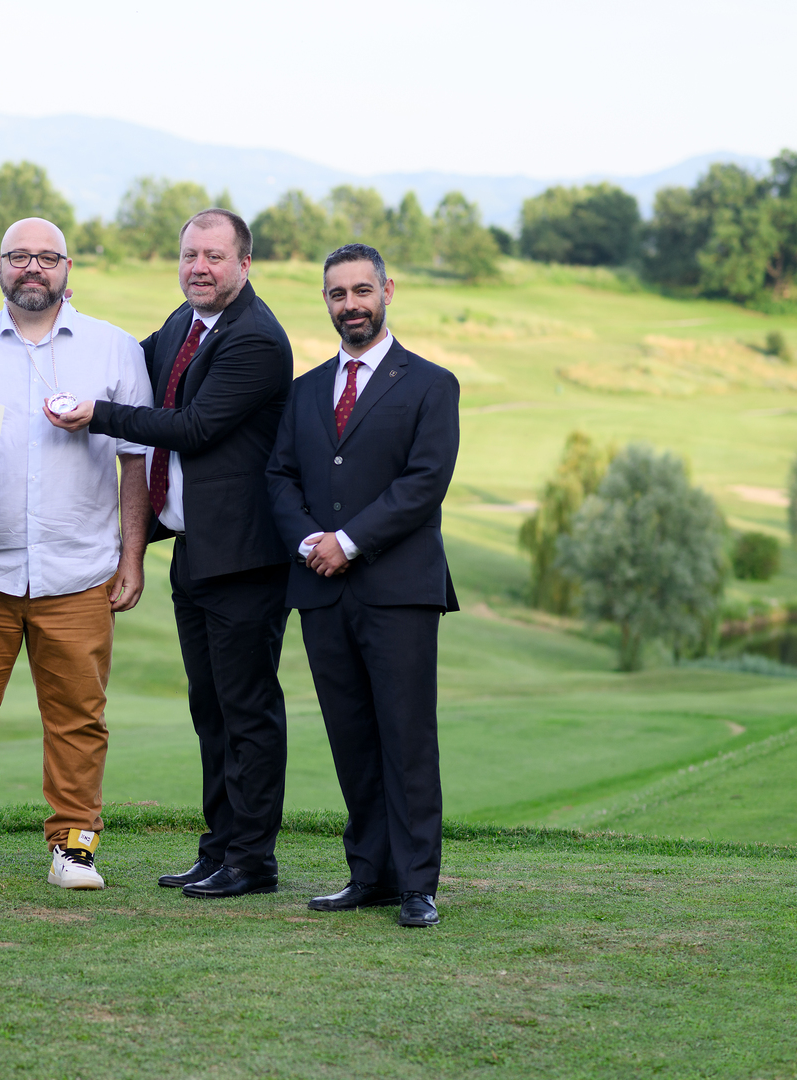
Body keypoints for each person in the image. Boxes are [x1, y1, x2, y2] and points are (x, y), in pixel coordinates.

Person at [49, 209, 294, 899]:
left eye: (214, 256)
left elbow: (194, 426)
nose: (199, 268)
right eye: (190, 255)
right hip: (197, 552)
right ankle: (220, 850)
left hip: (246, 559)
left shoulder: (255, 338)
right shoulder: (186, 323)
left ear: (244, 263)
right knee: (211, 712)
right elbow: (129, 358)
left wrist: (96, 413)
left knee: (247, 712)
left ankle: (253, 860)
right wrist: (69, 321)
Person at [0, 217, 153, 890]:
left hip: (79, 567)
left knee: (79, 718)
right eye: (19, 256)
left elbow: (135, 461)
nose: (32, 268)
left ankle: (73, 845)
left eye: (47, 258)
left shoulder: (113, 348)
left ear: (67, 269)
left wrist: (132, 557)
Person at [265, 243, 460, 928]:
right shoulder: (306, 389)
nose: (350, 304)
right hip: (322, 591)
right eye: (337, 294)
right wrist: (308, 542)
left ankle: (417, 885)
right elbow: (280, 477)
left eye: (361, 291)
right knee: (350, 736)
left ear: (387, 292)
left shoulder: (431, 384)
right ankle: (369, 876)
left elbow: (424, 482)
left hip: (399, 590)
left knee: (406, 738)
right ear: (326, 301)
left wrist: (346, 542)